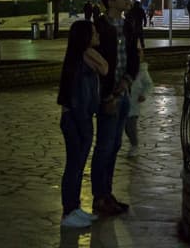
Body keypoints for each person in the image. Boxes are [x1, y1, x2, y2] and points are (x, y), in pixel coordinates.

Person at [91, 0, 141, 217]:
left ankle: (107, 194)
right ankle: (99, 197)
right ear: (110, 1)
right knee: (104, 146)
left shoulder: (128, 25)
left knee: (116, 145)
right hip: (108, 97)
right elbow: (95, 63)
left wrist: (128, 82)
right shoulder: (99, 27)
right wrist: (106, 95)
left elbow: (133, 59)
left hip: (124, 93)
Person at [57, 20, 108, 228]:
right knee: (73, 166)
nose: (98, 36)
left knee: (78, 166)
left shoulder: (82, 56)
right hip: (76, 119)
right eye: (94, 33)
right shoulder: (81, 57)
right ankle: (68, 212)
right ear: (84, 37)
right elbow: (105, 68)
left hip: (82, 117)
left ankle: (74, 207)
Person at [125, 53, 154, 156]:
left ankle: (134, 145)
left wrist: (144, 94)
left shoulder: (141, 70)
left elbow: (149, 84)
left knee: (130, 127)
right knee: (124, 127)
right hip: (123, 100)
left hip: (133, 103)